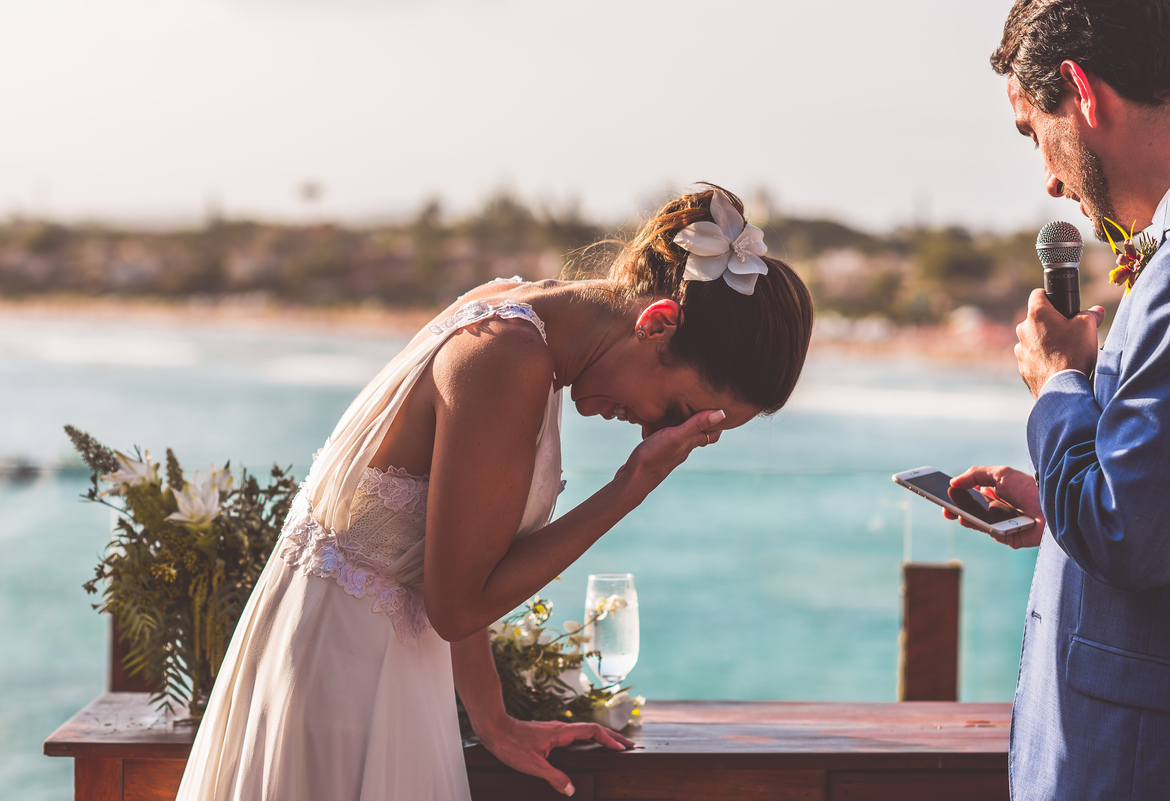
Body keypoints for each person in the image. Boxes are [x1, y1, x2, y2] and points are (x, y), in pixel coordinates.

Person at [174, 185, 815, 800]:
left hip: (360, 670)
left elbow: (449, 546)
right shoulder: (507, 357)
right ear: (656, 325)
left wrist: (492, 718)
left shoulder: (516, 311)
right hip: (344, 690)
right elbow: (457, 606)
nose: (658, 432)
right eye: (679, 409)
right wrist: (630, 487)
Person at [946, 1, 1170, 798]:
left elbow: (1133, 534)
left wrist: (1058, 383)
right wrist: (1062, 504)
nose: (1051, 179)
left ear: (1082, 94)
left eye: (1034, 133)